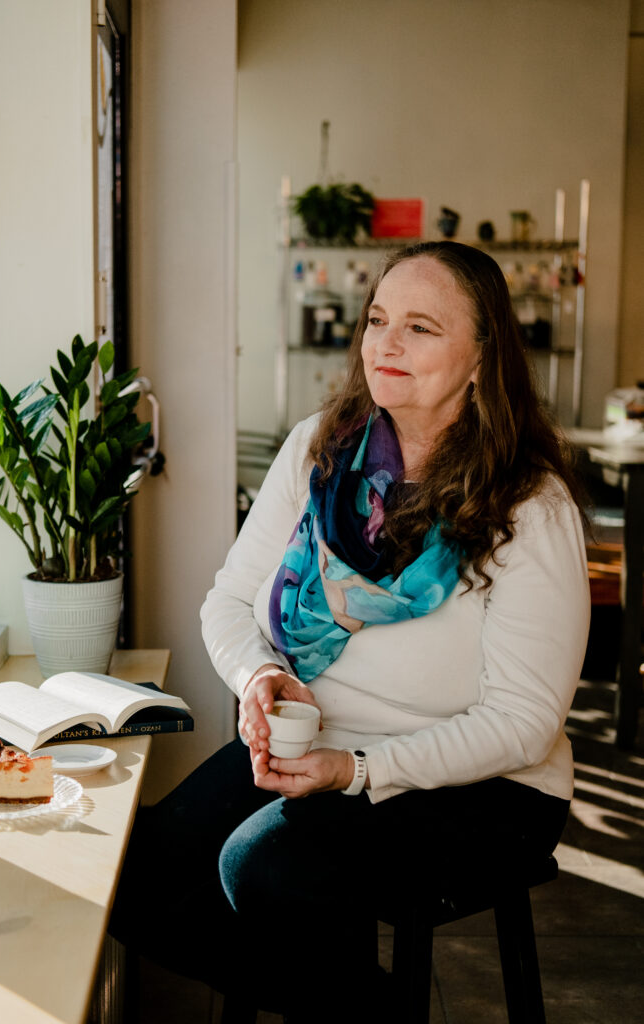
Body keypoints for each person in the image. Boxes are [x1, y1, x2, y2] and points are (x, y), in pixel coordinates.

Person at [109, 242, 590, 1022]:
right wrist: (258, 678)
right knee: (127, 879)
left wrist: (357, 768)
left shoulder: (529, 505)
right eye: (376, 319)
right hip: (317, 745)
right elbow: (229, 601)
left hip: (485, 787)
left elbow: (523, 725)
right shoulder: (318, 450)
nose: (385, 343)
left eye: (421, 327)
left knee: (266, 867)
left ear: (481, 358)